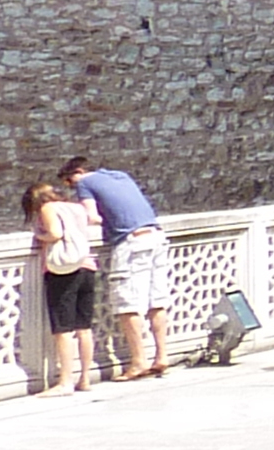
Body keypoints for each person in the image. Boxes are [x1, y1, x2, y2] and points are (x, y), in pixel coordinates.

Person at [64, 156, 170, 383]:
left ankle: (138, 361)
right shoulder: (121, 175)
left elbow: (92, 217)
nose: (74, 190)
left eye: (70, 183)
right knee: (156, 301)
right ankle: (162, 355)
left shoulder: (85, 182)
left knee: (128, 303)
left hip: (132, 242)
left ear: (79, 172)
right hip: (157, 236)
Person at [23, 178, 100, 394]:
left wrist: (39, 235)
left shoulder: (48, 208)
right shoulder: (77, 207)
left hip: (63, 270)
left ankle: (65, 381)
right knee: (84, 327)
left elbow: (55, 234)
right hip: (86, 266)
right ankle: (85, 378)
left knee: (63, 328)